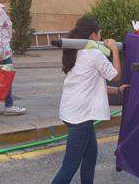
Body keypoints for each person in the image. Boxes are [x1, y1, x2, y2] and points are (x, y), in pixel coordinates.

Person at [52, 16, 125, 184]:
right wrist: (114, 50)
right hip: (81, 117)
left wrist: (118, 90)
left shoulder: (77, 50)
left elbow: (90, 86)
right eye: (100, 34)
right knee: (69, 166)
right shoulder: (93, 53)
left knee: (91, 156)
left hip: (73, 112)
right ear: (93, 36)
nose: (101, 38)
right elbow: (116, 75)